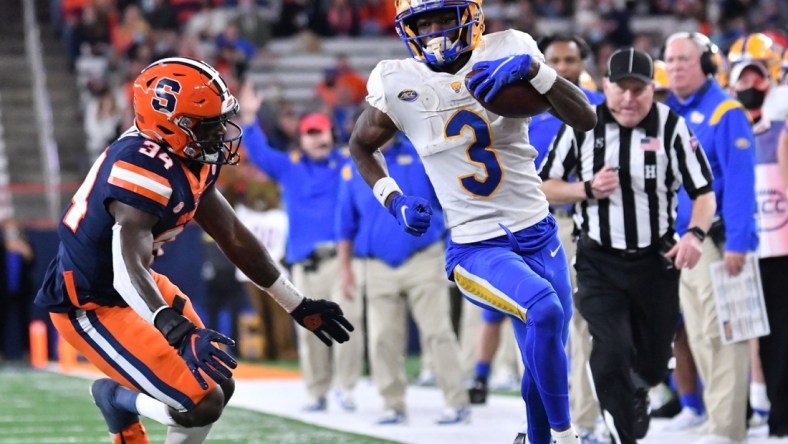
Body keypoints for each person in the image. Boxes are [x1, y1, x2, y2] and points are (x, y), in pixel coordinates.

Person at [33, 57, 353, 444]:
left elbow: (232, 234)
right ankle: (116, 400)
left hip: (134, 285)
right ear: (171, 125)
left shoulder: (187, 154)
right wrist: (178, 332)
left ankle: (126, 403)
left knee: (216, 381)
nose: (220, 132)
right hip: (90, 302)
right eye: (208, 125)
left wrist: (296, 303)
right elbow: (124, 265)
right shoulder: (142, 166)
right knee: (200, 402)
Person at [346, 1, 598, 442]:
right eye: (424, 23)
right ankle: (565, 436)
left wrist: (536, 71)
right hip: (476, 247)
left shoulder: (509, 49)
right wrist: (393, 198)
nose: (436, 31)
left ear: (472, 16)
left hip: (539, 232)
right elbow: (361, 145)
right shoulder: (398, 81)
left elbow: (586, 117)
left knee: (545, 350)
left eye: (445, 18)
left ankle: (538, 438)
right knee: (543, 308)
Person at [540, 48, 716, 444]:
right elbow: (544, 184)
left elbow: (704, 191)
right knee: (610, 348)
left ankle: (640, 386)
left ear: (654, 89)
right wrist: (586, 189)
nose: (630, 98)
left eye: (640, 89)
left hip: (655, 259)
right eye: (622, 88)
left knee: (654, 364)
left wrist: (696, 234)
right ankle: (622, 433)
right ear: (606, 86)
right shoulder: (583, 123)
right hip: (598, 258)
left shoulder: (671, 126)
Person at [239, 85, 364, 412]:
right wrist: (250, 117)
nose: (315, 139)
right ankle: (317, 390)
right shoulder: (289, 166)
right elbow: (258, 151)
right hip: (304, 263)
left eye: (320, 132)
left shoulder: (346, 163)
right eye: (309, 133)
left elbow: (369, 153)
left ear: (329, 134)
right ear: (301, 139)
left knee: (349, 322)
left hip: (341, 258)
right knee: (311, 327)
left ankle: (347, 388)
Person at [336, 132, 470, 425]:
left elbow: (449, 202)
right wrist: (345, 270)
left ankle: (457, 401)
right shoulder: (353, 167)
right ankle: (392, 404)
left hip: (423, 256)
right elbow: (345, 225)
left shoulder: (421, 153)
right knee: (382, 338)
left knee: (438, 331)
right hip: (376, 264)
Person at [664, 32, 758, 444]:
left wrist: (740, 241)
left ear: (706, 65)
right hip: (685, 244)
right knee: (701, 332)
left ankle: (727, 427)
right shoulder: (670, 112)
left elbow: (740, 183)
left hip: (719, 242)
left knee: (727, 333)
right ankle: (717, 415)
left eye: (685, 59)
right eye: (670, 59)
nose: (676, 66)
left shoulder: (726, 111)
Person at [729, 47, 788, 437]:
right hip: (739, 245)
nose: (751, 86)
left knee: (779, 336)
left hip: (778, 247)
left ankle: (779, 414)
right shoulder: (728, 130)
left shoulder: (780, 131)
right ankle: (744, 409)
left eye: (756, 78)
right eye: (743, 79)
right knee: (739, 332)